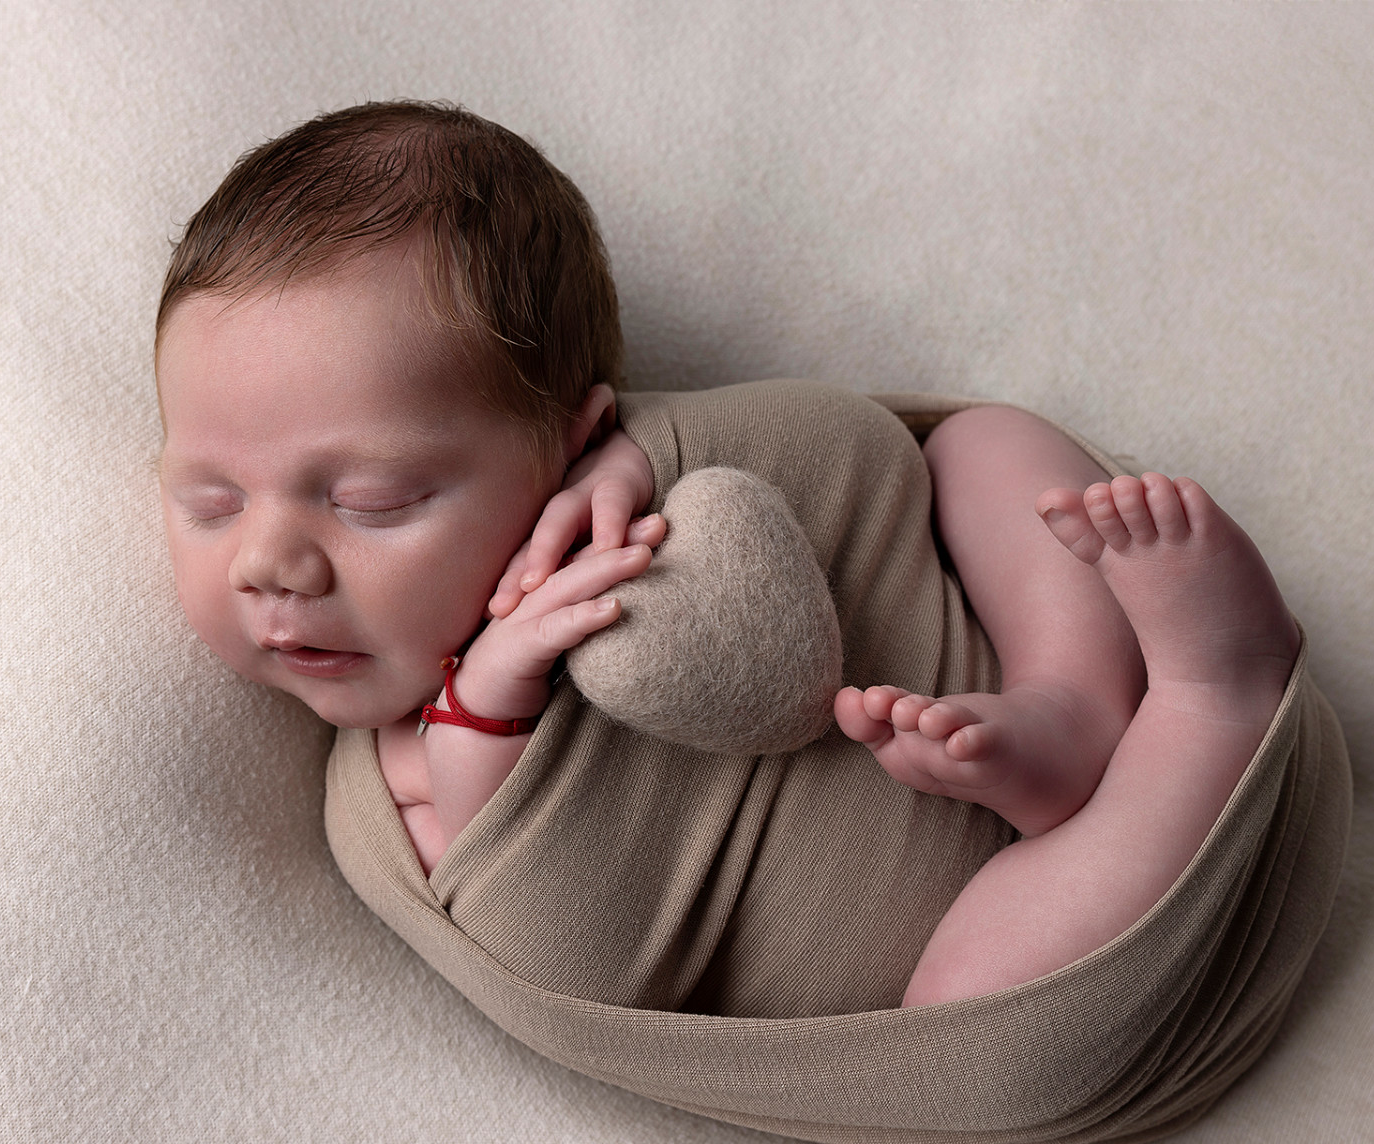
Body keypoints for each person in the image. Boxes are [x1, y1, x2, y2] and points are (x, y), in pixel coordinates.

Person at [155, 101, 1301, 1011]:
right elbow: (589, 978)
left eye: (373, 499)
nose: (270, 561)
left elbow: (863, 456)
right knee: (980, 1002)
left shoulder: (656, 488)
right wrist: (480, 728)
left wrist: (647, 460)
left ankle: (1073, 696)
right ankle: (1213, 695)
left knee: (982, 445)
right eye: (210, 501)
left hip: (998, 665)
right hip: (1031, 918)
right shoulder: (397, 791)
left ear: (572, 438)